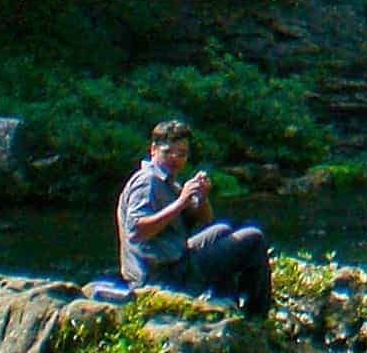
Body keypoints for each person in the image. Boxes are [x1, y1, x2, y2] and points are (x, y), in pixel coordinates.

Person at [115, 120, 272, 317]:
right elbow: (137, 230)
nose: (175, 159)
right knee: (253, 238)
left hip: (174, 264)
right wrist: (181, 201)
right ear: (153, 150)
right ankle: (256, 316)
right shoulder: (147, 182)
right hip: (161, 277)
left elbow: (206, 220)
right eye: (168, 152)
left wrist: (202, 198)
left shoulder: (168, 182)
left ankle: (225, 300)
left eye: (181, 154)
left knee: (221, 229)